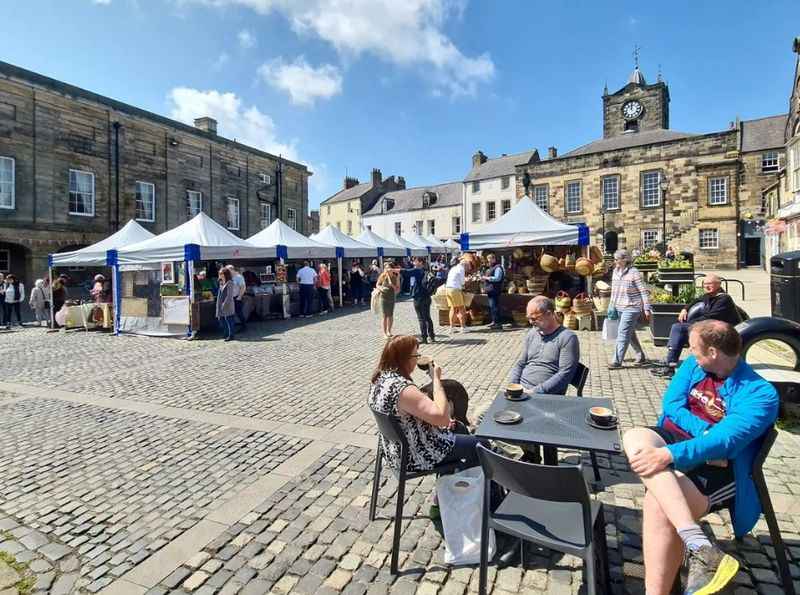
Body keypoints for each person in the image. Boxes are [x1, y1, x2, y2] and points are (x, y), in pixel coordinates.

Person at [623, 321, 778, 595]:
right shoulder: (695, 366)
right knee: (635, 438)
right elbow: (672, 405)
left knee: (657, 502)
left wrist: (671, 453)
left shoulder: (760, 393)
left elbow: (726, 442)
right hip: (685, 442)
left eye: (695, 349)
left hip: (721, 469)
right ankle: (699, 544)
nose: (690, 353)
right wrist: (703, 433)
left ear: (714, 352)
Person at [368, 335, 484, 472]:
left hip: (394, 451)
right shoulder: (403, 388)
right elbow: (443, 418)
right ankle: (474, 489)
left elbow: (406, 417)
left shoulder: (379, 379)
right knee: (482, 446)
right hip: (415, 455)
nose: (417, 359)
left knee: (460, 428)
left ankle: (452, 482)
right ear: (404, 359)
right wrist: (436, 379)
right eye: (415, 355)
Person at [509, 296, 580, 465]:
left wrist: (535, 391)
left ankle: (528, 458)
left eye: (535, 318)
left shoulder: (567, 338)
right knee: (480, 418)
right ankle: (526, 453)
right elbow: (520, 363)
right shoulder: (532, 334)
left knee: (517, 422)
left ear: (549, 314)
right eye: (529, 318)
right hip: (520, 392)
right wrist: (513, 385)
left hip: (546, 397)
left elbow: (565, 374)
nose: (531, 322)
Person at [653, 274, 742, 377]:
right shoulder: (709, 295)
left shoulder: (724, 299)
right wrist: (685, 309)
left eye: (710, 284)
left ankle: (670, 363)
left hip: (725, 330)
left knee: (679, 328)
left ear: (718, 284)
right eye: (705, 284)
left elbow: (710, 317)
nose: (707, 286)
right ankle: (670, 363)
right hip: (713, 326)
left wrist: (691, 324)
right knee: (679, 328)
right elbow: (695, 301)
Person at [608, 249, 651, 369]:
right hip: (619, 306)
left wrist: (647, 308)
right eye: (615, 259)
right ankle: (640, 355)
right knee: (629, 333)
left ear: (625, 259)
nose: (615, 261)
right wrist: (611, 305)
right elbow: (614, 291)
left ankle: (616, 361)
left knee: (623, 333)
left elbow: (643, 291)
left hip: (632, 307)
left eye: (617, 259)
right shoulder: (615, 271)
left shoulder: (634, 272)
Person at [406, 257, 436, 344]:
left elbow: (405, 272)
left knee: (421, 319)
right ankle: (432, 336)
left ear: (420, 262)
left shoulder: (417, 270)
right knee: (427, 317)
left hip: (419, 297)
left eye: (415, 261)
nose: (413, 262)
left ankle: (424, 338)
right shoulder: (427, 271)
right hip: (427, 297)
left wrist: (393, 269)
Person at [445, 256, 470, 333]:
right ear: (464, 265)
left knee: (453, 308)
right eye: (467, 266)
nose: (468, 268)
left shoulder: (453, 268)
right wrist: (467, 280)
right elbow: (462, 282)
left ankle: (452, 327)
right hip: (455, 289)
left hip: (448, 288)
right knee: (462, 308)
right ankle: (463, 327)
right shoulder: (461, 269)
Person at [375, 263, 400, 338]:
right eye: (385, 268)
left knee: (390, 315)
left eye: (388, 268)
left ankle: (389, 331)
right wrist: (380, 288)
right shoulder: (383, 275)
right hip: (383, 297)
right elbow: (377, 284)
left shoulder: (395, 277)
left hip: (391, 297)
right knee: (384, 315)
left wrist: (393, 284)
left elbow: (398, 288)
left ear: (392, 269)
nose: (387, 269)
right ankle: (384, 332)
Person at [481, 253, 505, 329]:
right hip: (491, 290)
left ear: (494, 259)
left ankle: (497, 323)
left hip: (495, 289)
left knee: (495, 306)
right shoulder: (491, 267)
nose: (489, 261)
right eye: (488, 259)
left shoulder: (498, 267)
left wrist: (487, 278)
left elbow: (497, 278)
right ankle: (494, 321)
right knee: (492, 306)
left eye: (490, 259)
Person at [216, 268, 236, 341]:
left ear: (225, 274)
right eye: (219, 274)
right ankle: (226, 333)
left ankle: (231, 335)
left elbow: (229, 295)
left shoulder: (229, 282)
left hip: (227, 304)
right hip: (220, 304)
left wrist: (224, 304)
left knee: (229, 320)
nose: (220, 275)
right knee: (222, 320)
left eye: (221, 274)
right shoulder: (221, 282)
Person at [227, 265, 247, 329]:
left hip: (236, 297)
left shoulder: (239, 277)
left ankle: (244, 326)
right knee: (231, 313)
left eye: (228, 270)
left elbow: (243, 287)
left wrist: (239, 296)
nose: (227, 272)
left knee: (239, 312)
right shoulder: (229, 277)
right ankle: (232, 327)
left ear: (232, 269)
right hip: (230, 298)